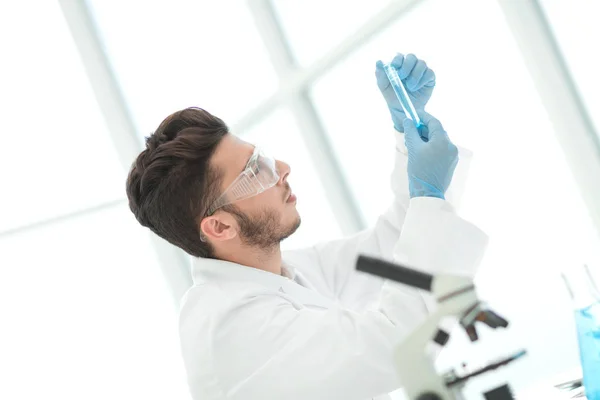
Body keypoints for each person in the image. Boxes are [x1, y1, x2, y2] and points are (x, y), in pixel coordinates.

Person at [126, 53, 488, 400]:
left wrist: (408, 130)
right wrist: (428, 194)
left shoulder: (285, 273)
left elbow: (388, 249)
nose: (282, 168)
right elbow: (396, 346)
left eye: (261, 157)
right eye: (254, 173)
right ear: (220, 227)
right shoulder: (230, 327)